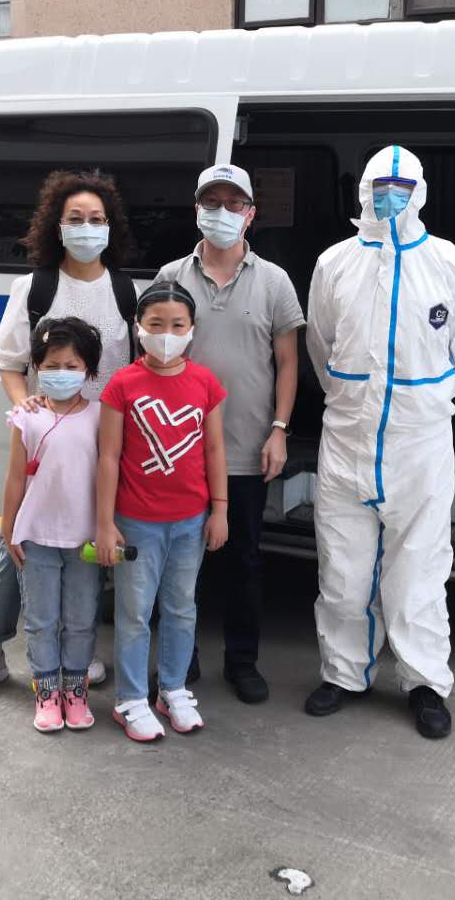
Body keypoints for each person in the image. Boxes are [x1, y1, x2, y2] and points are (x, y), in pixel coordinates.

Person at [303, 145, 455, 739]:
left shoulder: (450, 265)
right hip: (347, 438)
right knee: (343, 569)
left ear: (420, 192)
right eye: (379, 186)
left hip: (419, 445)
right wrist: (352, 397)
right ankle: (343, 673)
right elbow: (320, 346)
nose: (389, 197)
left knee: (418, 572)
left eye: (401, 187)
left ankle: (425, 682)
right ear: (363, 190)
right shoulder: (335, 263)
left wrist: (423, 403)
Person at [0, 169, 136, 703]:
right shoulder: (34, 287)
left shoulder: (125, 291)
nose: (87, 228)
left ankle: (77, 654)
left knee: (85, 547)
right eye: (76, 218)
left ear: (110, 226)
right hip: (45, 441)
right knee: (19, 543)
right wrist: (26, 407)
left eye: (97, 219)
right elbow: (10, 364)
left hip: (103, 442)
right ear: (57, 226)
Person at [152, 164, 304, 704]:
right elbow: (153, 357)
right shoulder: (171, 276)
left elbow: (288, 362)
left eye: (233, 203)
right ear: (197, 210)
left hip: (245, 448)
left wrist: (279, 429)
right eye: (211, 202)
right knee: (179, 567)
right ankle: (180, 662)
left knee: (244, 562)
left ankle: (242, 662)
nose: (222, 213)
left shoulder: (274, 281)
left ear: (250, 214)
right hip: (180, 452)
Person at [95, 281, 228, 741]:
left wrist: (219, 509)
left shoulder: (205, 383)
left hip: (191, 522)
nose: (166, 335)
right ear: (138, 327)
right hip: (137, 524)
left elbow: (215, 449)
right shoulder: (122, 385)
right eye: (156, 324)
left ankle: (171, 689)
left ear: (192, 329)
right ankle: (130, 698)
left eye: (176, 325)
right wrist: (104, 522)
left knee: (181, 608)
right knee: (135, 614)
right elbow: (108, 456)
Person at [0, 317, 104, 733]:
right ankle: (46, 693)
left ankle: (75, 692)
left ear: (89, 370)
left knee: (81, 618)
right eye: (52, 365)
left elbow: (109, 474)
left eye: (72, 366)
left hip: (84, 541)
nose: (62, 373)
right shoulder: (26, 417)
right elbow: (14, 477)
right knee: (40, 620)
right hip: (36, 537)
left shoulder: (100, 417)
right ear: (37, 368)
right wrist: (9, 527)